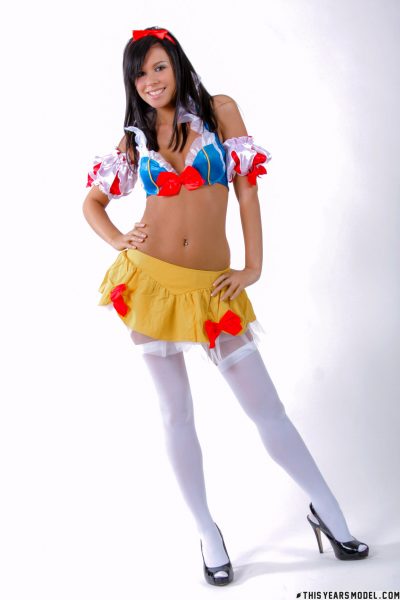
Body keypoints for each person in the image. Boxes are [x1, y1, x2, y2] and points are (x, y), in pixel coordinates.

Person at [82, 26, 369, 587]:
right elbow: (92, 203)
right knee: (176, 413)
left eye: (159, 67)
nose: (151, 81)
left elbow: (247, 191)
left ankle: (329, 512)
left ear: (176, 64)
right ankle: (207, 533)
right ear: (131, 83)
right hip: (151, 284)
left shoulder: (219, 111)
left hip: (216, 288)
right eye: (140, 74)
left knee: (267, 409)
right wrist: (118, 239)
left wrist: (252, 267)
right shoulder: (135, 135)